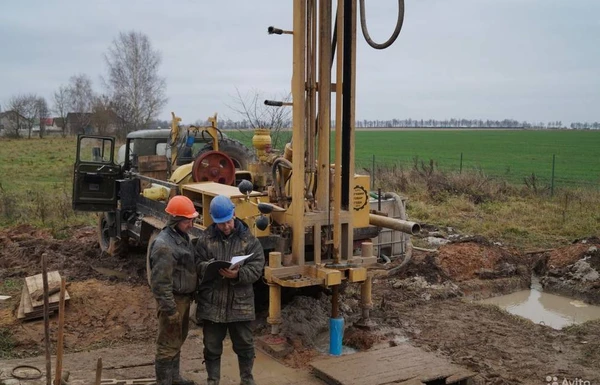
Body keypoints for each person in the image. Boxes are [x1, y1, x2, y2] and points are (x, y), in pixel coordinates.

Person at [195, 195, 265, 385]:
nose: (225, 227)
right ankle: (213, 381)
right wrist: (209, 267)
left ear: (234, 214)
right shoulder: (205, 240)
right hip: (212, 303)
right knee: (211, 346)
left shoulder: (248, 239)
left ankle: (247, 380)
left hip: (240, 305)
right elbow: (197, 263)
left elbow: (257, 267)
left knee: (245, 345)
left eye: (228, 222)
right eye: (220, 224)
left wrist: (239, 275)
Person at [149, 195, 199, 385]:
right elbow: (160, 284)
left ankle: (174, 378)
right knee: (167, 344)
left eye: (192, 219)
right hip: (173, 300)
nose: (191, 224)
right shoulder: (164, 246)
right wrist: (170, 310)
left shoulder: (181, 237)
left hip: (183, 298)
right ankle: (164, 381)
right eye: (188, 220)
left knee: (177, 339)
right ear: (176, 220)